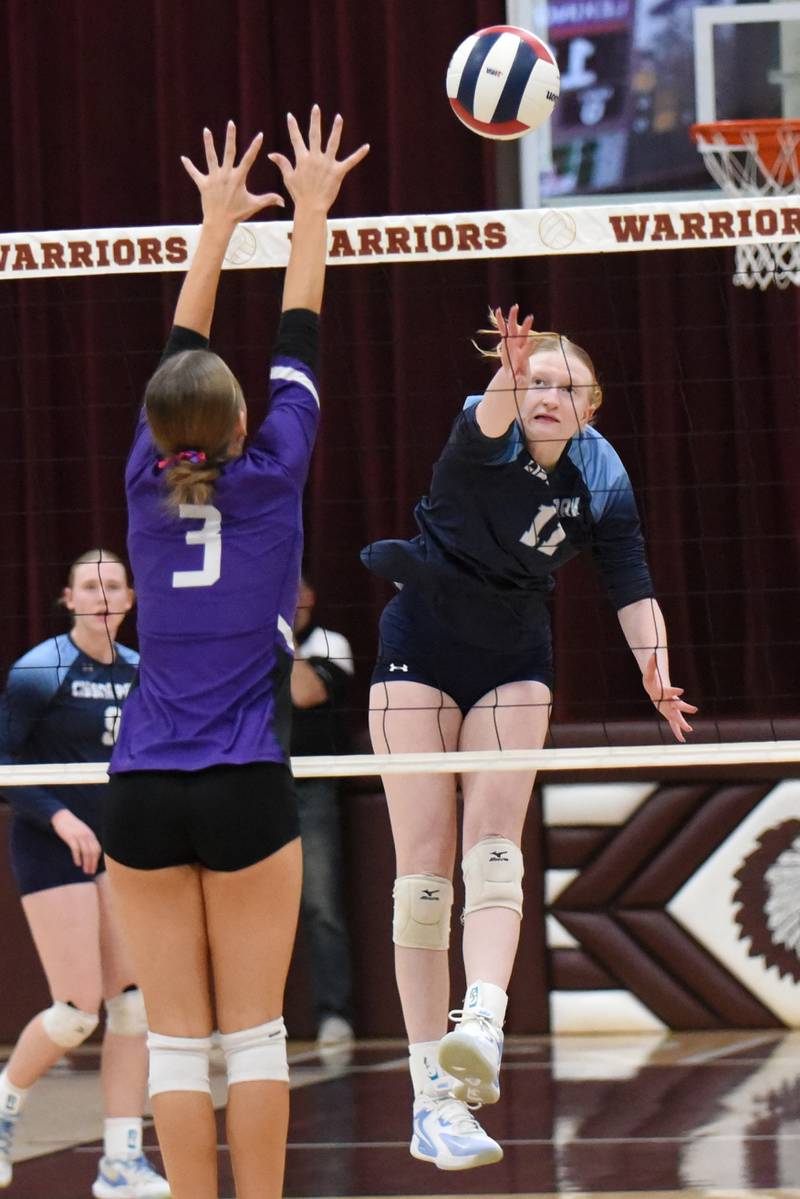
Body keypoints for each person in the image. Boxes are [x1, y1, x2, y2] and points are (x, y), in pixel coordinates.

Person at [101, 110, 368, 1199]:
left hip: (144, 790)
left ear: (161, 433)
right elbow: (296, 329)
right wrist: (309, 211)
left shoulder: (143, 483)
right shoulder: (275, 474)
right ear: (242, 416)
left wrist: (212, 222)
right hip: (249, 782)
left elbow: (181, 359)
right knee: (255, 1039)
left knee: (173, 1045)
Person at [362, 305, 697, 1170]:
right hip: (421, 644)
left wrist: (654, 669)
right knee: (423, 875)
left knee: (495, 847)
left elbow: (628, 575)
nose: (548, 392)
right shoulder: (482, 431)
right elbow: (488, 418)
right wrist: (509, 379)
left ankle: (481, 1018)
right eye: (534, 379)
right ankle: (431, 1096)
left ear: (593, 406)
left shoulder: (603, 472)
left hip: (515, 649)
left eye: (566, 385)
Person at [0, 549, 170, 1198]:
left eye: (113, 585)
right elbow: (4, 757)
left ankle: (120, 1160)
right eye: (89, 586)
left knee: (133, 1006)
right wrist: (61, 816)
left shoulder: (141, 670)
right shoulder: (42, 668)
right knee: (77, 1011)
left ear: (130, 597)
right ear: (68, 599)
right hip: (53, 847)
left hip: (118, 849)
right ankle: (5, 1104)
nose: (102, 595)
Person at [291, 575, 355, 1055]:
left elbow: (304, 693)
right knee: (240, 908)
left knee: (321, 906)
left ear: (309, 597)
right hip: (254, 783)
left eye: (290, 589)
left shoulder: (330, 644)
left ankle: (335, 1015)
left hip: (313, 786)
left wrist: (278, 637)